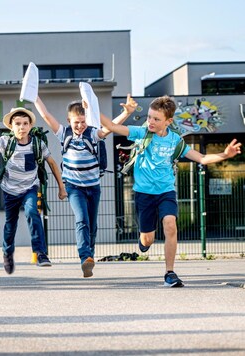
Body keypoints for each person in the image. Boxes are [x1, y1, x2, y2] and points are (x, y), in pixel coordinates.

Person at [100, 95, 241, 287]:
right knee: (147, 239)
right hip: (144, 194)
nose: (151, 121)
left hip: (166, 191)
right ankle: (144, 241)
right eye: (149, 117)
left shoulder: (175, 141)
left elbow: (201, 158)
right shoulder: (142, 133)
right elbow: (111, 127)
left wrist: (225, 154)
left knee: (170, 224)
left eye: (156, 119)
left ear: (168, 121)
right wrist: (91, 108)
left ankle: (170, 272)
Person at [34, 94, 138, 278]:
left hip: (94, 187)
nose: (80, 125)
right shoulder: (63, 133)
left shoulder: (92, 133)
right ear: (69, 121)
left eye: (83, 121)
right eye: (76, 122)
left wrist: (126, 113)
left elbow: (109, 128)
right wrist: (34, 95)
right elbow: (46, 115)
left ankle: (89, 256)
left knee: (92, 224)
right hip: (74, 187)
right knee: (81, 220)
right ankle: (85, 257)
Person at [0, 109, 66, 275]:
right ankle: (7, 253)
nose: (21, 127)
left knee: (32, 212)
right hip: (10, 190)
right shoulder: (5, 142)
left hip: (30, 187)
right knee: (11, 224)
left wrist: (61, 187)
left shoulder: (38, 144)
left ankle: (41, 253)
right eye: (17, 124)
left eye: (25, 124)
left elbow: (52, 163)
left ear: (30, 126)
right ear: (11, 127)